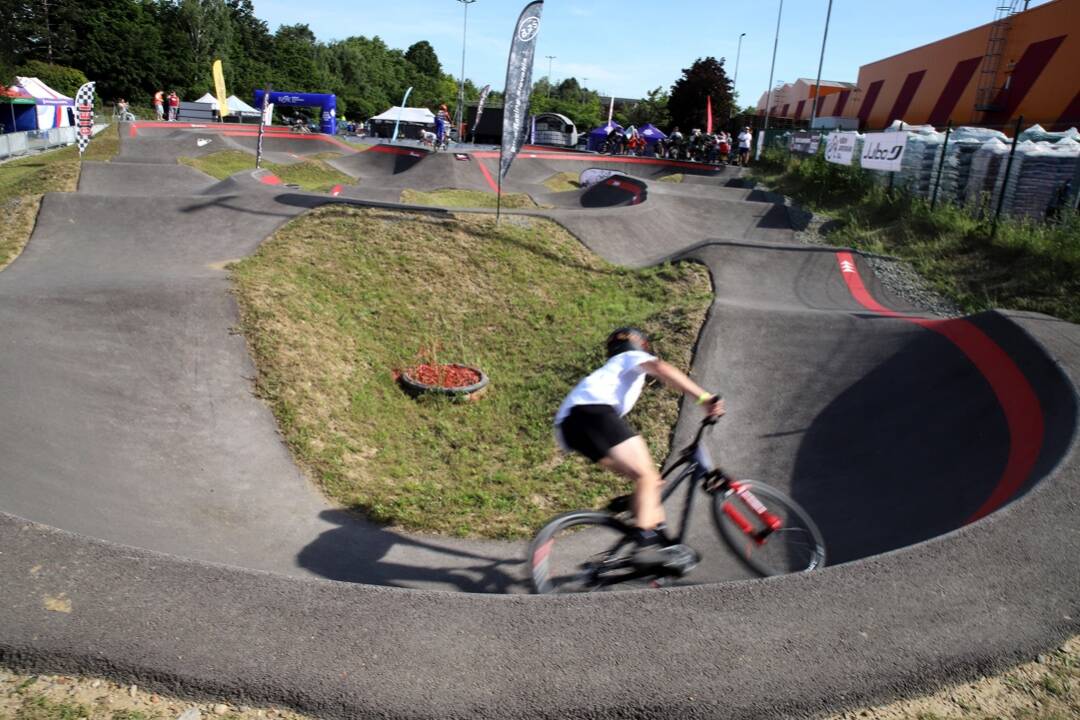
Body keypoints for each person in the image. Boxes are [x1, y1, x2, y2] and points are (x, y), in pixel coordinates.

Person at [553, 327, 725, 572]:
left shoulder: (610, 373)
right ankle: (645, 545)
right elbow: (663, 369)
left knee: (650, 482)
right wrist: (704, 398)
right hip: (591, 412)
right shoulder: (629, 358)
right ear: (642, 347)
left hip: (569, 429)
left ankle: (643, 522)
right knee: (648, 476)